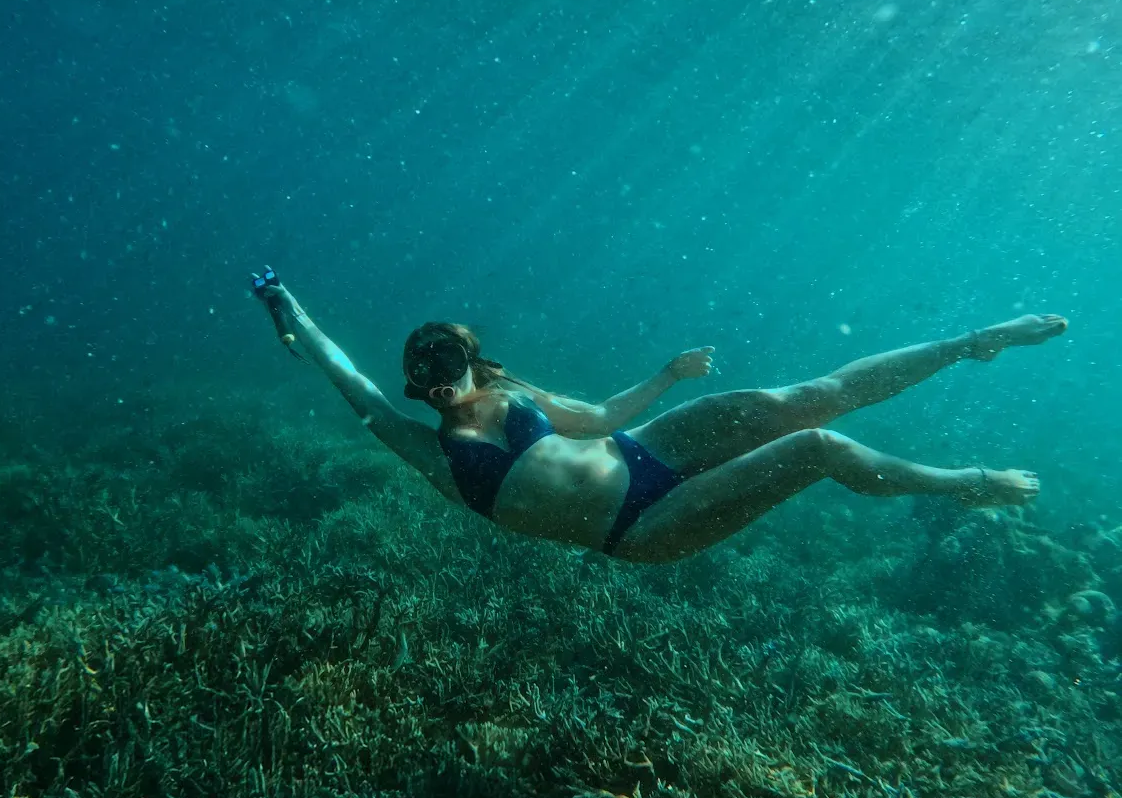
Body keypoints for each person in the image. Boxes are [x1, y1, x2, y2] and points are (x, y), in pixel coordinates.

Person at [251, 267, 1068, 565]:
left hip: (641, 448)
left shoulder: (519, 394)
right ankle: (966, 484)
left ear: (469, 360)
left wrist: (669, 375)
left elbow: (605, 413)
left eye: (443, 366)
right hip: (639, 528)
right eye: (418, 377)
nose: (432, 384)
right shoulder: (425, 451)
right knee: (817, 446)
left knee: (804, 400)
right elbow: (341, 374)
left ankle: (971, 341)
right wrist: (286, 308)